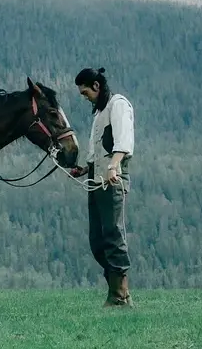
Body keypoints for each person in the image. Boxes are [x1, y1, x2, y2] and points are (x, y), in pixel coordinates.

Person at [70, 66, 135, 307]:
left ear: (96, 86)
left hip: (112, 180)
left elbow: (123, 140)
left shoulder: (118, 105)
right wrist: (84, 169)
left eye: (85, 92)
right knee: (97, 240)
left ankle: (119, 295)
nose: (84, 97)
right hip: (96, 182)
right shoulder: (99, 113)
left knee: (113, 235)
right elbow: (98, 150)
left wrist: (113, 167)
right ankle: (119, 292)